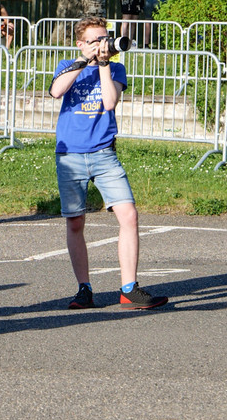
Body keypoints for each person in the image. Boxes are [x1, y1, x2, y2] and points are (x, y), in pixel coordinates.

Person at [51, 17, 169, 311]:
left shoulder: (115, 68)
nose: (103, 44)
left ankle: (129, 289)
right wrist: (84, 61)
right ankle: (84, 289)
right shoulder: (67, 65)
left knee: (129, 215)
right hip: (70, 155)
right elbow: (56, 91)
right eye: (95, 40)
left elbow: (109, 102)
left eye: (105, 38)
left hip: (104, 153)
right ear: (80, 44)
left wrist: (103, 63)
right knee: (75, 222)